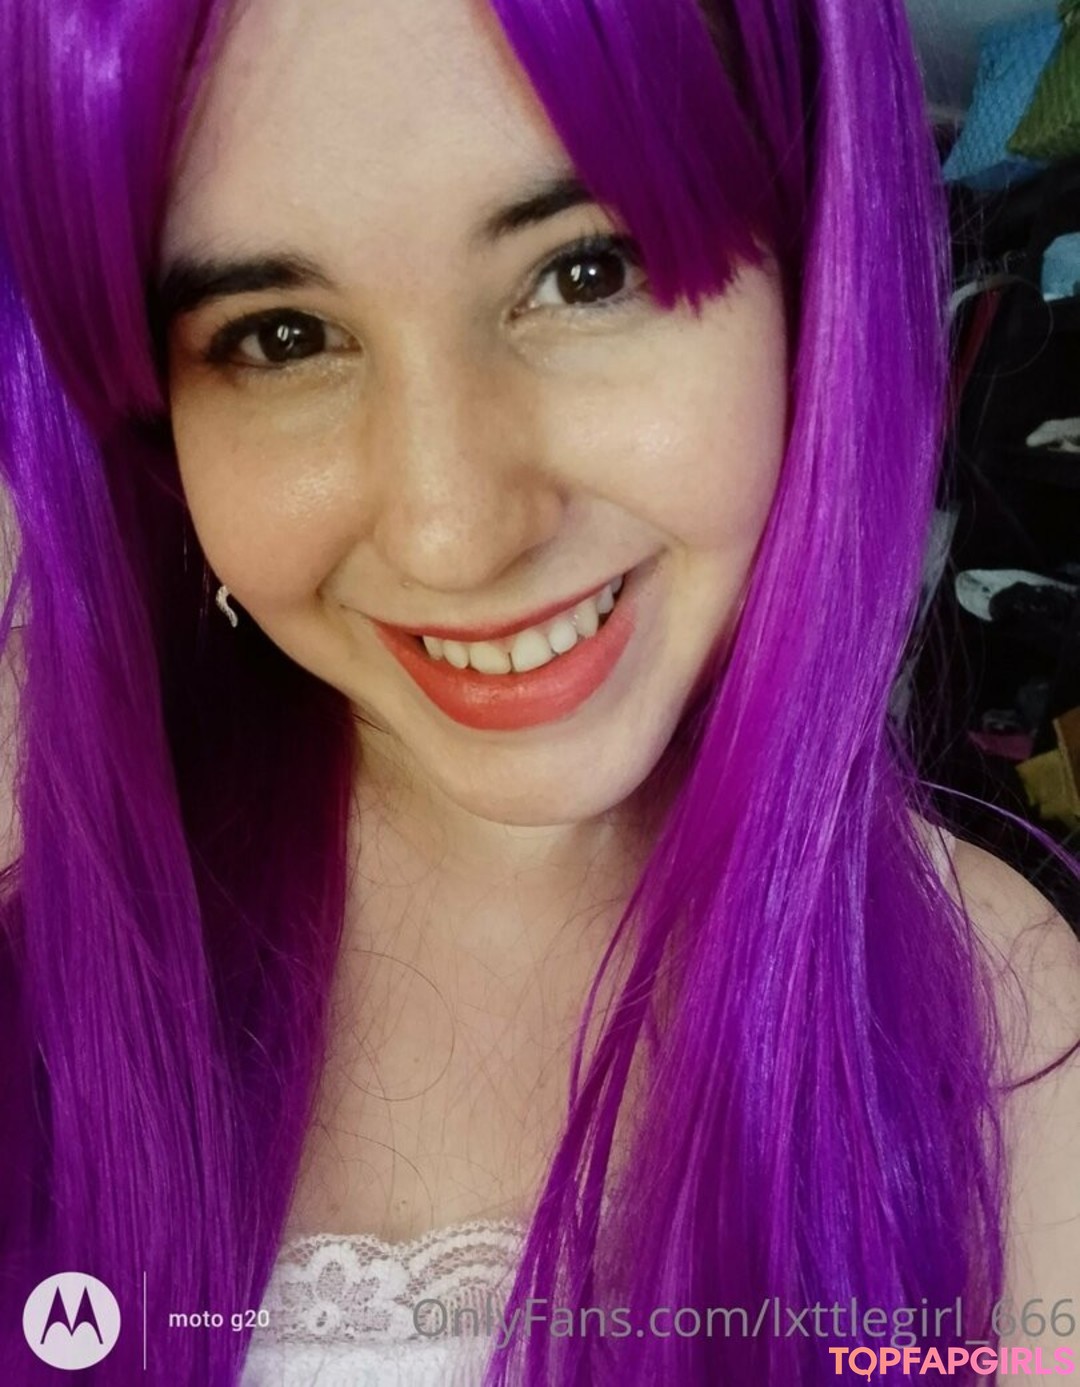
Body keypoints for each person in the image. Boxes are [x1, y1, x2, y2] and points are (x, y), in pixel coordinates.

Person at [0, 0, 1077, 1383]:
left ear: (818, 268)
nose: (454, 534)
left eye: (583, 271)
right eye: (280, 336)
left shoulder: (1005, 1028)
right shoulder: (47, 1010)